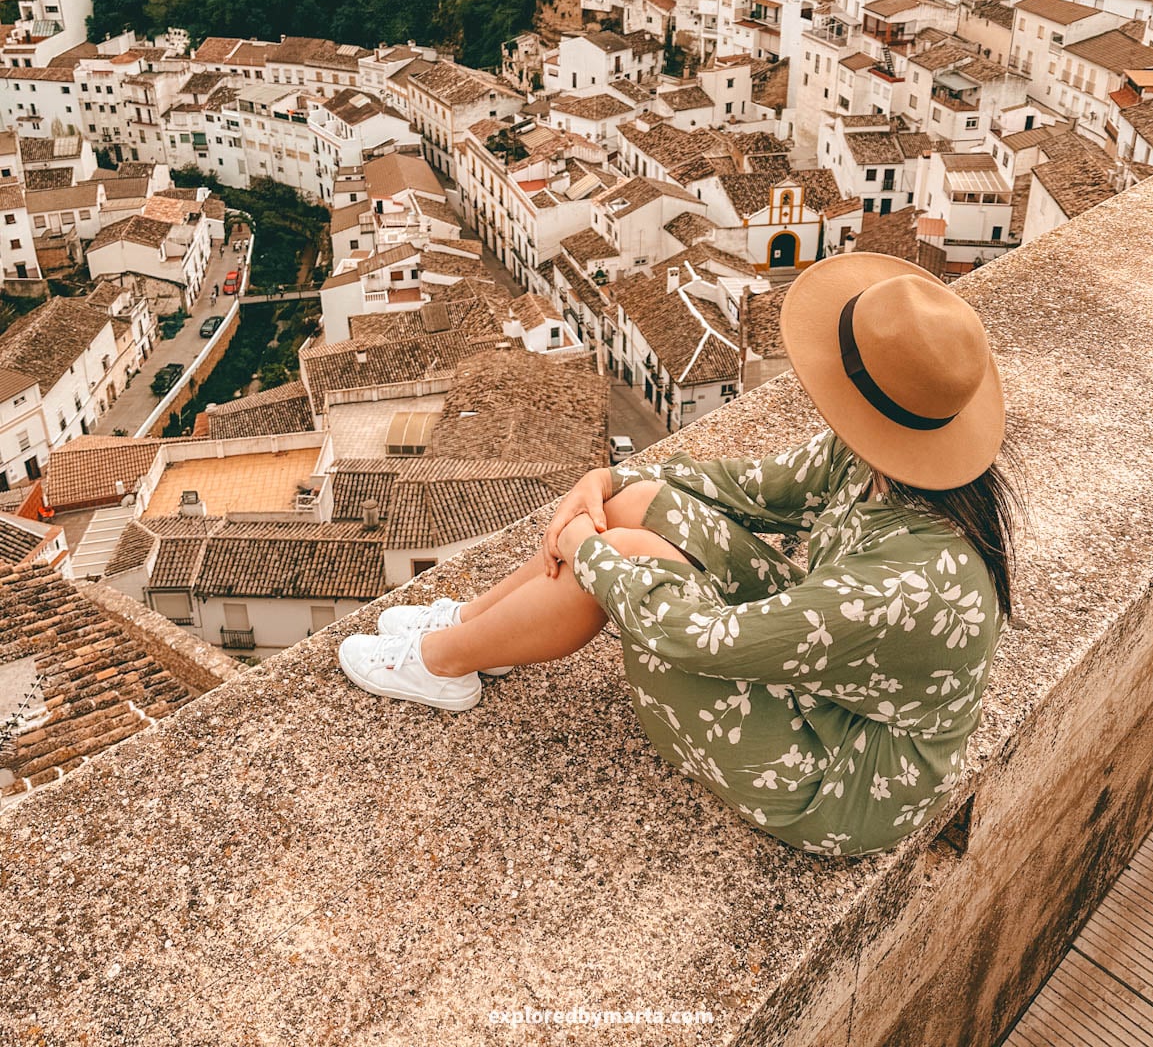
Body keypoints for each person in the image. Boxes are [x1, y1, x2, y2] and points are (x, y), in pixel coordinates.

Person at [338, 253, 1021, 857]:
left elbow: (696, 640)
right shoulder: (885, 459)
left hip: (842, 777)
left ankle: (442, 663)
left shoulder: (914, 582)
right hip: (829, 668)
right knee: (636, 509)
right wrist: (608, 481)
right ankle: (471, 623)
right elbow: (754, 490)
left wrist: (588, 549)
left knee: (623, 554)